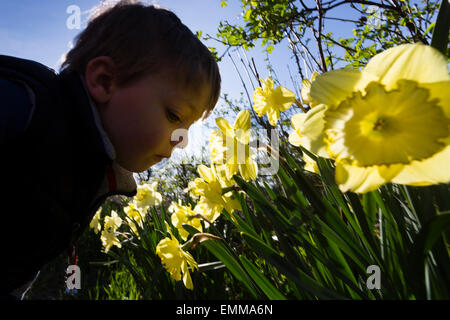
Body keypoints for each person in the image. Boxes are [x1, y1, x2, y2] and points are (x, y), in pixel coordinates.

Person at [0, 0, 220, 298]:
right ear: (105, 81)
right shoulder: (26, 106)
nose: (183, 140)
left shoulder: (97, 169)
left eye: (189, 126)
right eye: (174, 115)